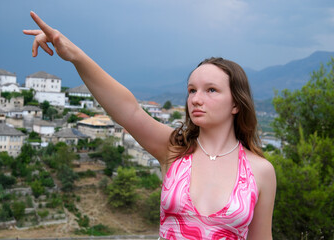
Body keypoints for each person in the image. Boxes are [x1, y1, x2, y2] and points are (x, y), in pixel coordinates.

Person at [23, 11, 276, 240]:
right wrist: (75, 55)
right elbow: (129, 111)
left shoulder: (260, 171)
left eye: (211, 90)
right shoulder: (174, 149)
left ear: (236, 104)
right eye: (191, 90)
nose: (196, 99)